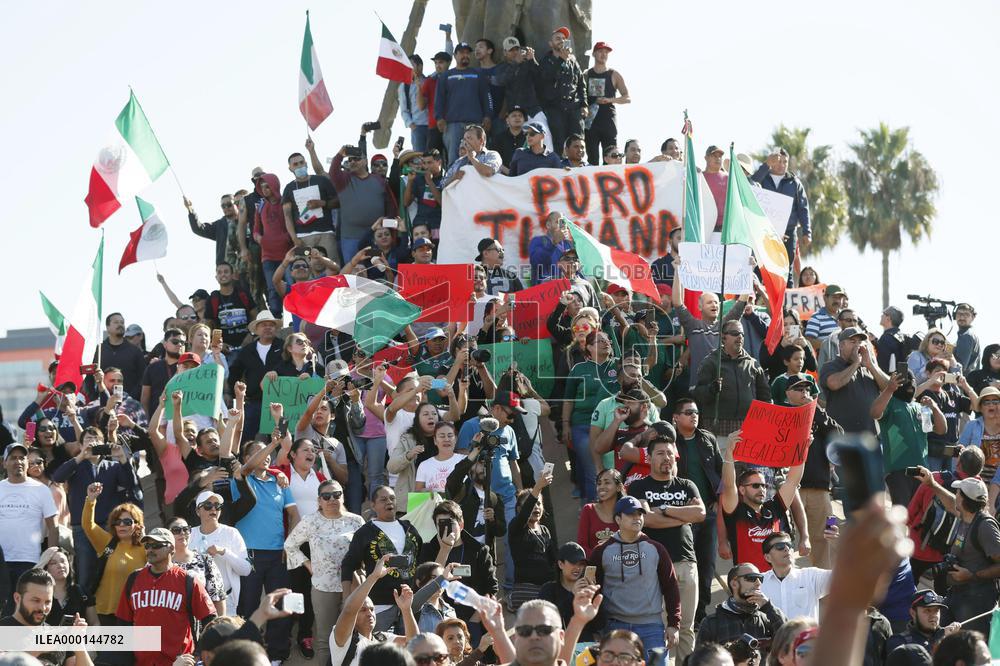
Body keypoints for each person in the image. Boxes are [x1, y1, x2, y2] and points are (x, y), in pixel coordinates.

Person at [627, 435, 704, 661]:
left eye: (670, 453)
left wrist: (666, 509)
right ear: (649, 458)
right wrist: (683, 516)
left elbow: (699, 514)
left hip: (687, 562)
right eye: (661, 453)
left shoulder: (687, 485)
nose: (667, 458)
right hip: (655, 565)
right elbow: (647, 520)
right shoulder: (639, 486)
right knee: (661, 626)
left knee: (687, 627)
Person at [232, 432, 300, 663]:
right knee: (248, 605)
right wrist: (273, 443)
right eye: (261, 452)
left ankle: (277, 654)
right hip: (248, 553)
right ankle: (245, 653)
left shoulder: (280, 482)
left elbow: (294, 514)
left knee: (282, 602)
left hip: (277, 553)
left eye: (271, 453)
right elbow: (246, 469)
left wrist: (289, 544)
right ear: (247, 457)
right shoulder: (241, 479)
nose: (268, 456)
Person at [283, 479, 364, 666]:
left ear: (343, 497)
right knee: (325, 639)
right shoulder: (310, 521)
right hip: (322, 586)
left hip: (352, 585)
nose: (332, 499)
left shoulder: (356, 520)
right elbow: (290, 545)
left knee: (352, 637)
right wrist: (309, 565)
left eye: (337, 495)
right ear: (319, 500)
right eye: (326, 496)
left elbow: (365, 550)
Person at [589, 495, 681, 656]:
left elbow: (671, 586)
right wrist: (597, 626)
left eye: (640, 514)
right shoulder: (601, 551)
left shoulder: (657, 549)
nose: (637, 518)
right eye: (631, 514)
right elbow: (592, 590)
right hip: (615, 627)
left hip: (652, 626)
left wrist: (674, 624)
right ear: (618, 519)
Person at [915, 473, 1000, 638]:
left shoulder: (985, 527)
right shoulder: (965, 515)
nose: (956, 496)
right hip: (956, 595)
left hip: (976, 601)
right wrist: (932, 484)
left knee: (970, 647)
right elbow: (950, 503)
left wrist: (972, 575)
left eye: (959, 493)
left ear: (965, 500)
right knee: (942, 638)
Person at [115, 527, 216, 666]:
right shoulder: (134, 578)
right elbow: (123, 622)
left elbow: (210, 619)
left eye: (156, 545)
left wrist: (198, 654)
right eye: (148, 545)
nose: (150, 549)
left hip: (179, 662)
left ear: (171, 549)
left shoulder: (188, 581)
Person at [720, 428, 810, 571]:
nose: (761, 489)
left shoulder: (774, 507)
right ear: (742, 489)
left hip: (778, 580)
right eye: (755, 485)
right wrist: (729, 453)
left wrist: (802, 449)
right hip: (749, 583)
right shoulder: (736, 511)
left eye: (764, 485)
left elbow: (792, 481)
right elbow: (729, 485)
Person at [341, 486, 423, 631]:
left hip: (409, 603)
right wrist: (348, 600)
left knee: (409, 649)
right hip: (379, 605)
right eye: (383, 499)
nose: (389, 502)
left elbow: (421, 561)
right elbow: (348, 565)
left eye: (392, 498)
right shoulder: (365, 532)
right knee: (379, 650)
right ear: (373, 505)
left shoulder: (409, 528)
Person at [308, 138, 397, 270]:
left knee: (377, 273)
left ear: (365, 161)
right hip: (350, 237)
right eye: (350, 160)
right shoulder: (344, 180)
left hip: (376, 237)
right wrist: (340, 154)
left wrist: (389, 225)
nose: (353, 162)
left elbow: (391, 205)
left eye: (356, 158)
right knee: (354, 273)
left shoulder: (379, 180)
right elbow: (333, 172)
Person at [871, 369, 945, 506]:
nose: (910, 384)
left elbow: (941, 430)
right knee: (902, 516)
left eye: (913, 381)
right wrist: (889, 389)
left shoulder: (921, 407)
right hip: (899, 470)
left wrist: (935, 408)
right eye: (905, 381)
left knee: (920, 518)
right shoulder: (890, 402)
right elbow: (874, 412)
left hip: (922, 471)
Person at [0, 443, 58, 613]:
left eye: (22, 458)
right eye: (13, 458)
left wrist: (48, 560)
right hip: (1, 561)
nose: (18, 461)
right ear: (4, 463)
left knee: (26, 611)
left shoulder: (41, 490)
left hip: (31, 561)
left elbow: (53, 527)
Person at [329, 554, 417, 666]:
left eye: (372, 609)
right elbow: (349, 610)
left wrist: (406, 610)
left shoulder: (383, 639)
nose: (369, 613)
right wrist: (374, 576)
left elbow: (414, 644)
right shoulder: (343, 641)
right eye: (363, 610)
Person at [694, 319, 772, 439]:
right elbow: (699, 394)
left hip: (747, 426)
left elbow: (765, 397)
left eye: (742, 334)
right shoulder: (711, 362)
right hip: (717, 427)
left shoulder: (753, 364)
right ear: (723, 337)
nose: (740, 337)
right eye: (735, 333)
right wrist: (711, 389)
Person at [81, 482, 145, 626]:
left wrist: (145, 539)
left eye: (127, 521)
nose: (121, 525)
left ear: (137, 525)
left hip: (136, 614)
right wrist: (90, 500)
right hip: (105, 614)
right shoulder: (107, 542)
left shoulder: (146, 547)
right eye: (118, 521)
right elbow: (87, 525)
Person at [0, 568, 93, 666]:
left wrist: (78, 644)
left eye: (48, 602)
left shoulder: (55, 634)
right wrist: (37, 650)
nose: (42, 608)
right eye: (36, 600)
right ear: (17, 598)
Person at [696, 563, 787, 652]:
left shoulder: (767, 617)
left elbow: (788, 642)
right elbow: (699, 660)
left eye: (760, 579)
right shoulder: (711, 623)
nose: (758, 583)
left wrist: (768, 606)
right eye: (752, 578)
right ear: (734, 584)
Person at [751, 149, 811, 283]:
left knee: (786, 268)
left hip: (788, 232)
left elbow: (803, 208)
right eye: (778, 161)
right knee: (759, 266)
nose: (782, 164)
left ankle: (786, 302)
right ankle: (757, 299)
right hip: (764, 232)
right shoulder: (762, 179)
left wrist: (807, 231)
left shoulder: (794, 183)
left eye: (785, 162)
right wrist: (766, 165)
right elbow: (750, 184)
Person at [189, 490, 251, 617]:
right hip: (195, 601)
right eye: (208, 506)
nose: (213, 509)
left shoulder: (231, 533)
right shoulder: (189, 534)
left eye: (217, 506)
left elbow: (246, 569)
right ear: (197, 511)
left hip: (225, 601)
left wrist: (223, 552)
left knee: (225, 636)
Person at [820, 326, 890, 434]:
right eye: (853, 342)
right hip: (844, 437)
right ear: (841, 345)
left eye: (860, 342)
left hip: (871, 438)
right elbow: (834, 384)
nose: (858, 346)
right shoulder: (831, 366)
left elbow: (889, 388)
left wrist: (871, 365)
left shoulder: (869, 367)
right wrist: (856, 363)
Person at [228, 311, 284, 440]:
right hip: (254, 402)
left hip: (281, 402)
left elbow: (290, 366)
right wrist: (234, 394)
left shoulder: (284, 346)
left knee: (282, 437)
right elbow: (234, 372)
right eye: (263, 325)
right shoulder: (247, 350)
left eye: (271, 325)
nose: (268, 327)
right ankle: (240, 460)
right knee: (244, 438)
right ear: (256, 329)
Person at [435, 42, 491, 167]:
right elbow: (439, 99)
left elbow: (486, 97)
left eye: (467, 53)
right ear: (455, 55)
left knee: (478, 158)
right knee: (454, 160)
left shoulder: (478, 74)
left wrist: (488, 115)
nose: (465, 55)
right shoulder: (446, 76)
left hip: (475, 124)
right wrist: (439, 117)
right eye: (461, 53)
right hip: (452, 125)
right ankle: (453, 186)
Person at [508, 470, 557, 611]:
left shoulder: (545, 530)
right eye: (532, 503)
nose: (536, 507)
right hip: (526, 593)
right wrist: (538, 488)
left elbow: (553, 560)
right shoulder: (516, 528)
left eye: (539, 504)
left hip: (547, 591)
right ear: (519, 509)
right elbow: (524, 515)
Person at [759, 531, 833, 621]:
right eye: (780, 546)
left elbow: (847, 577)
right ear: (768, 557)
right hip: (774, 635)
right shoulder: (758, 582)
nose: (786, 548)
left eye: (789, 545)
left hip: (806, 635)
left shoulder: (812, 576)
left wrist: (836, 542)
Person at [538, 27, 587, 160]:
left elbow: (581, 83)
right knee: (558, 141)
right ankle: (559, 169)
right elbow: (545, 79)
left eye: (564, 39)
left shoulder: (573, 60)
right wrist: (560, 60)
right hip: (555, 107)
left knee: (578, 141)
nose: (562, 41)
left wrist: (584, 104)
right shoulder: (546, 60)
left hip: (574, 107)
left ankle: (579, 169)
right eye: (558, 38)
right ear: (551, 43)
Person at [538, 541, 604, 639]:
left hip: (584, 647)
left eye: (581, 564)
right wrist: (572, 595)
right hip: (559, 645)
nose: (577, 568)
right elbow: (547, 622)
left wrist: (593, 595)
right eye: (573, 563)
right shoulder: (548, 589)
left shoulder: (587, 590)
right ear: (560, 564)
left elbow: (600, 624)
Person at [584, 41, 629, 166]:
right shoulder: (586, 74)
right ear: (594, 54)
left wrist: (610, 100)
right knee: (592, 157)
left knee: (611, 156)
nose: (603, 54)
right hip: (591, 121)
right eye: (600, 51)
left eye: (606, 52)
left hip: (608, 120)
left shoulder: (614, 74)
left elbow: (627, 97)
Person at [886, 589, 961, 655]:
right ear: (913, 613)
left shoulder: (947, 638)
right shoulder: (899, 642)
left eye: (936, 610)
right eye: (927, 610)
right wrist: (940, 638)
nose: (934, 615)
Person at [37, 546, 94, 627]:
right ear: (45, 568)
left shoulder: (82, 592)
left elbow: (95, 623)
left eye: (63, 561)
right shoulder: (39, 594)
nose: (60, 565)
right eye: (53, 563)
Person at [96, 313, 147, 399]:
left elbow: (143, 379)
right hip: (101, 403)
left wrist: (131, 397)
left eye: (122, 322)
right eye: (116, 322)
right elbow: (89, 377)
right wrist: (94, 396)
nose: (120, 325)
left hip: (128, 405)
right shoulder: (99, 350)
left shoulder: (135, 351)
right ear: (107, 327)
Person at [577, 468, 624, 555]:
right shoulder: (588, 510)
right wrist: (600, 558)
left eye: (607, 482)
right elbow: (582, 546)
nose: (601, 487)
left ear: (619, 487)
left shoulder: (626, 512)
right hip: (595, 565)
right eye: (599, 483)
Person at [139, 327, 185, 416]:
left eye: (182, 343)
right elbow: (144, 399)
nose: (179, 345)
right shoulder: (152, 367)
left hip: (182, 419)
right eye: (175, 342)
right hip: (157, 420)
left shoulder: (189, 367)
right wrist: (147, 423)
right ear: (165, 344)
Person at [441, 125, 502, 189]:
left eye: (469, 138)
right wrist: (454, 177)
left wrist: (472, 159)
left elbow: (488, 172)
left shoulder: (492, 155)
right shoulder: (459, 161)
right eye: (464, 139)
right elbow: (443, 186)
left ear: (481, 141)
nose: (465, 142)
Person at [185, 193, 237, 267]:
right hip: (225, 271)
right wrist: (190, 209)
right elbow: (198, 228)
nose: (226, 208)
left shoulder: (247, 220)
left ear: (236, 204)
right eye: (223, 206)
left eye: (229, 204)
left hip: (244, 268)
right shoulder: (219, 225)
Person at [399, 54, 429, 151]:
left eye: (411, 65)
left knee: (434, 158)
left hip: (432, 126)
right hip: (417, 127)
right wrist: (412, 125)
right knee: (419, 158)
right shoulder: (404, 86)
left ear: (420, 66)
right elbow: (404, 110)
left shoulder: (429, 81)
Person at [804, 285, 846, 352]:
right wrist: (832, 345)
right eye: (834, 297)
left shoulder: (847, 316)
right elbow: (809, 341)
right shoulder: (816, 317)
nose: (837, 301)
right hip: (827, 361)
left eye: (840, 298)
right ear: (825, 298)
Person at [493, 105, 528, 169]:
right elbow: (494, 160)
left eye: (520, 116)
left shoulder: (529, 137)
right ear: (507, 120)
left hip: (525, 175)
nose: (517, 118)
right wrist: (508, 172)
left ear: (524, 120)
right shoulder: (499, 138)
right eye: (514, 116)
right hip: (503, 176)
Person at [877, 306, 908, 373]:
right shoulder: (903, 337)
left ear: (888, 318)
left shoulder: (886, 338)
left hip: (888, 380)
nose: (881, 315)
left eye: (883, 313)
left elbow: (882, 365)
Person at [954, 304, 981, 376]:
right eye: (959, 314)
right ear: (955, 316)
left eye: (966, 314)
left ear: (972, 318)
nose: (962, 317)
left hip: (962, 383)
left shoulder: (966, 336)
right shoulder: (969, 335)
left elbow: (959, 366)